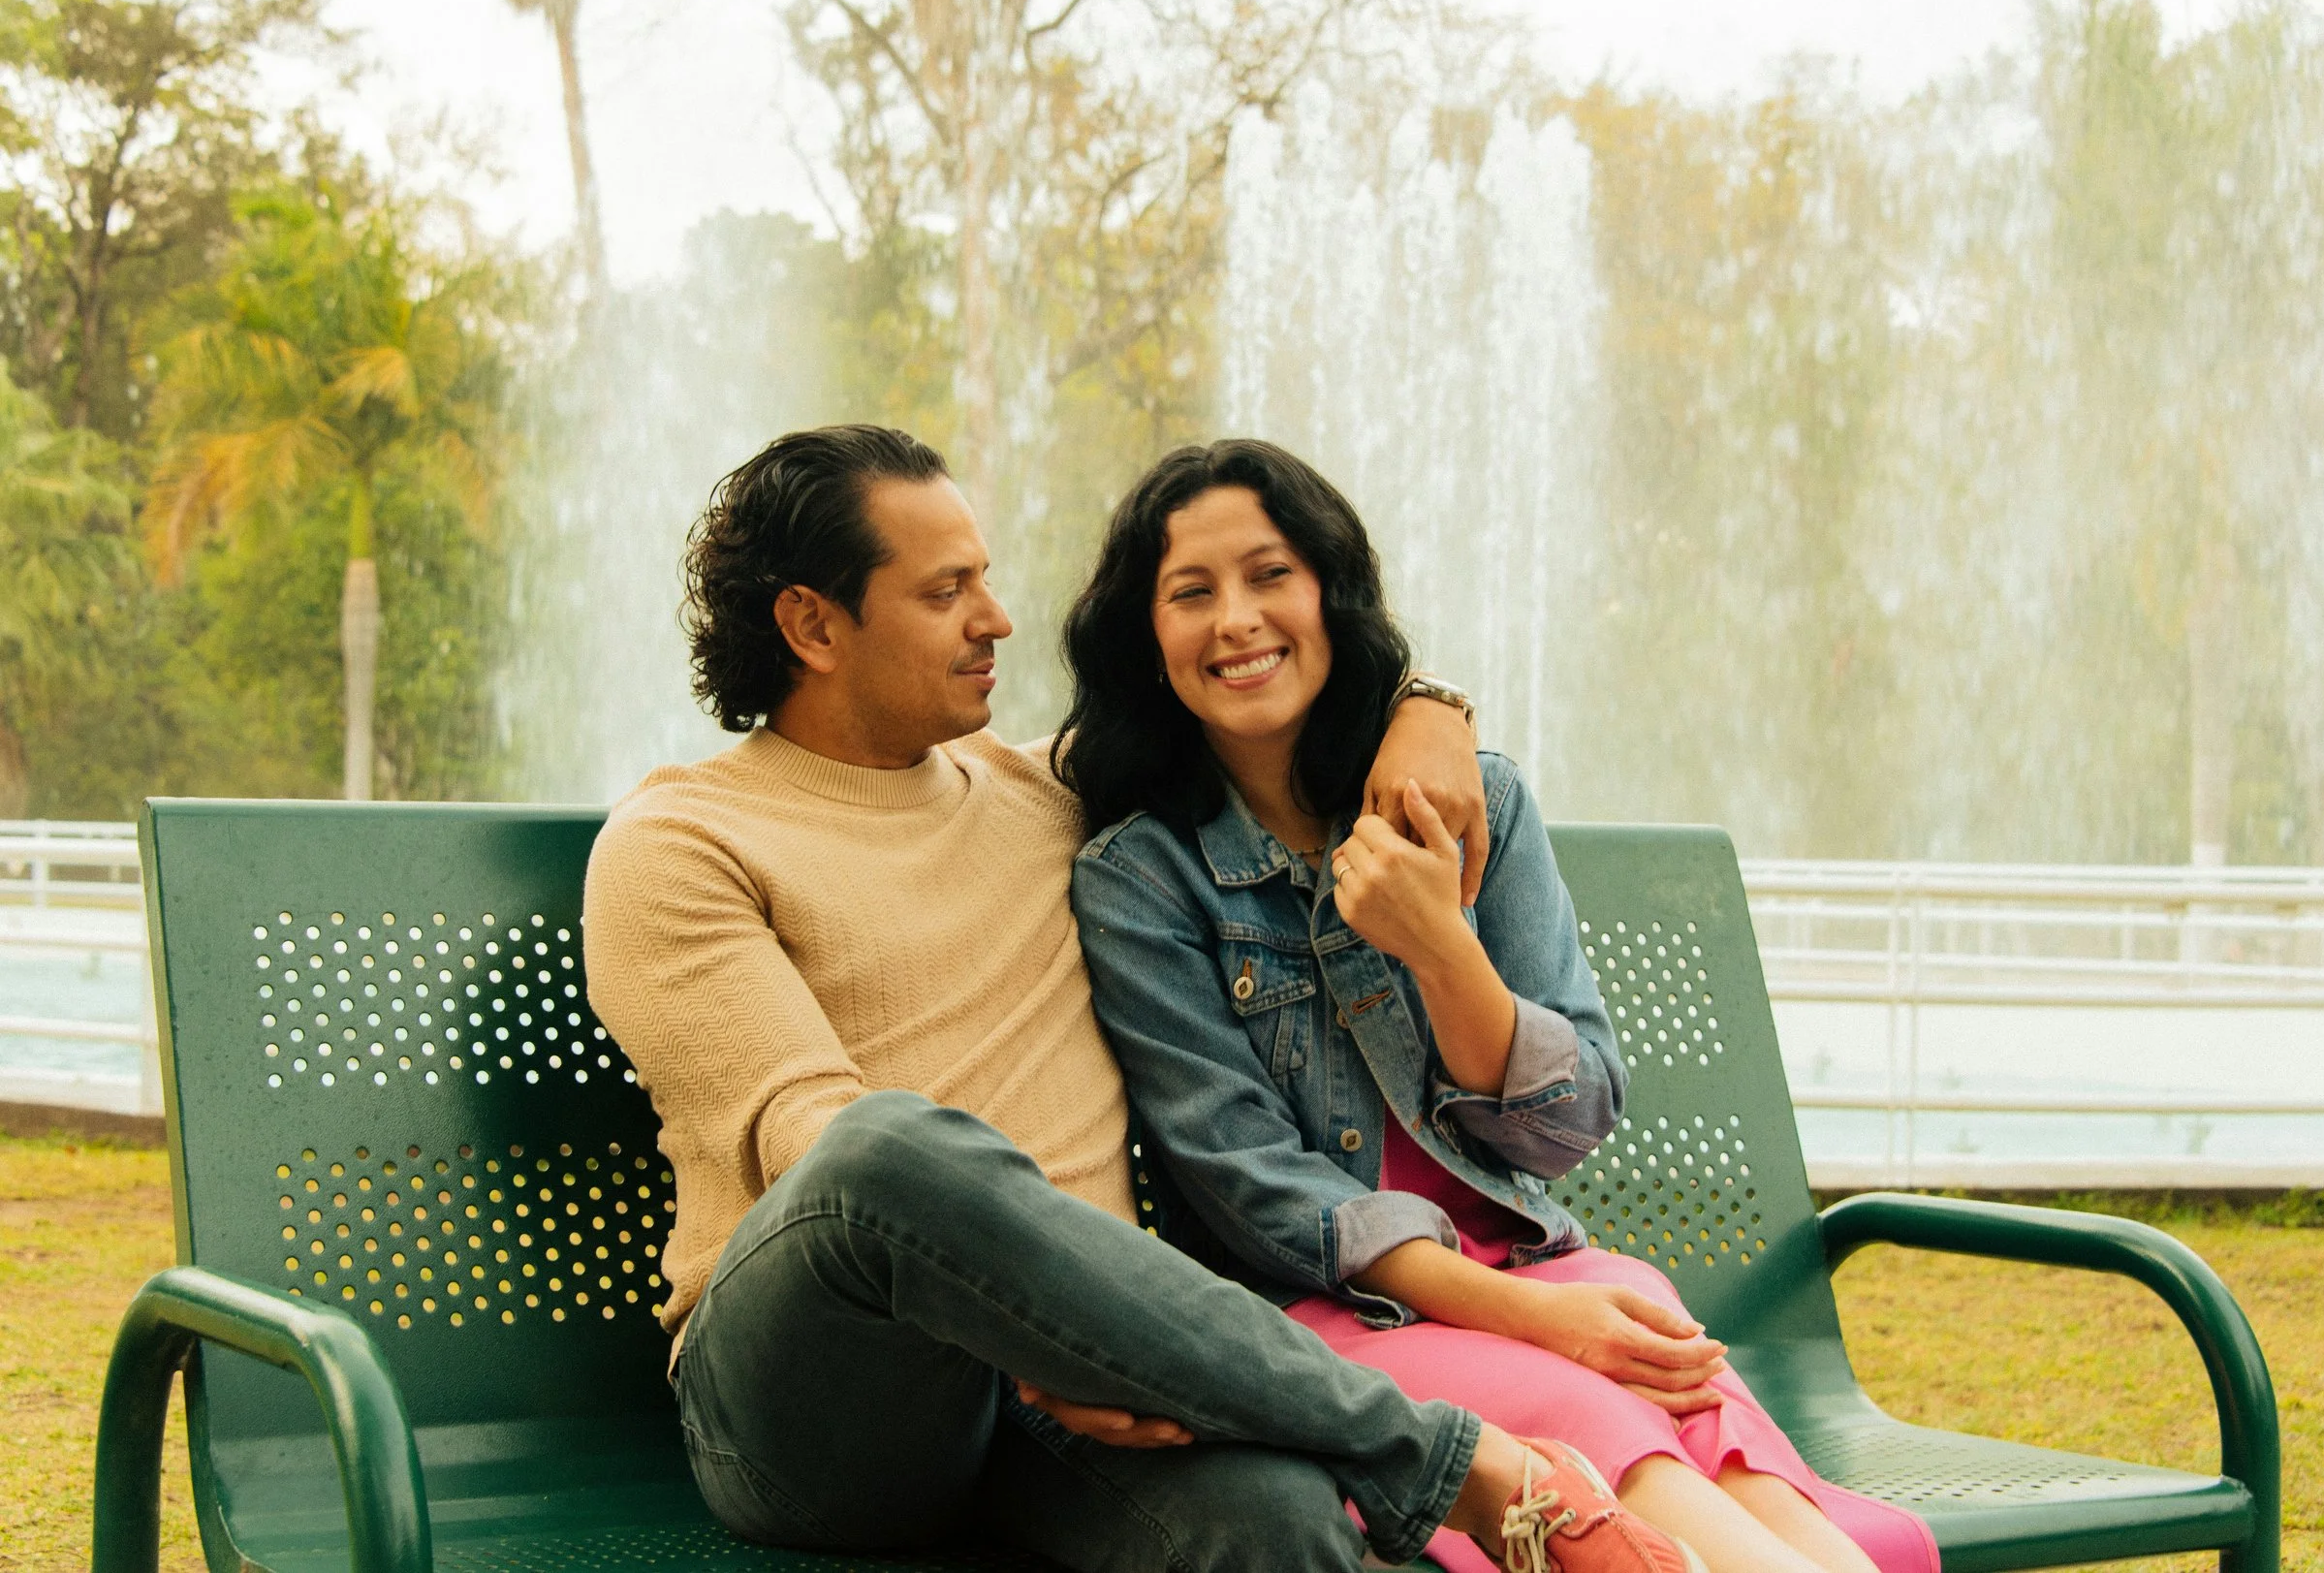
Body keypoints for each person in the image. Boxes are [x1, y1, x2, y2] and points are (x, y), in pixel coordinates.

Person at [583, 424, 1694, 1573]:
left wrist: (1430, 706)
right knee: (879, 1148)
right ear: (813, 624)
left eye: (987, 579)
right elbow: (808, 1148)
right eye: (946, 590)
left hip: (1084, 1388)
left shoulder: (1046, 794)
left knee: (1274, 1525)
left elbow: (1248, 697)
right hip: (830, 1401)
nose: (995, 619)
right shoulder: (680, 843)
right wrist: (1038, 1339)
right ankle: (1465, 1470)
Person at [1056, 439, 1941, 1573]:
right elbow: (1250, 1186)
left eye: (1269, 574)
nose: (1235, 619)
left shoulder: (1485, 798)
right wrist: (1531, 1318)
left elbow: (1564, 1126)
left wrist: (1438, 944)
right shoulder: (1139, 876)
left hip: (1532, 1265)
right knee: (1621, 1436)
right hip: (1313, 1315)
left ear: (1330, 589)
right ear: (1149, 634)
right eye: (1191, 592)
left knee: (1702, 1419)